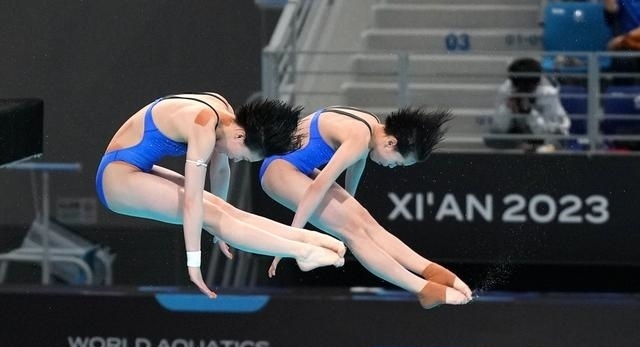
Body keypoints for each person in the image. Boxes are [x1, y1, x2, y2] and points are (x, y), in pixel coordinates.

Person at [96, 92, 345, 298]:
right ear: (240, 135)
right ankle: (302, 252)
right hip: (115, 180)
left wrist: (220, 229)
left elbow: (221, 171)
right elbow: (192, 203)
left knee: (225, 211)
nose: (236, 159)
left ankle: (309, 239)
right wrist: (194, 265)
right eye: (242, 156)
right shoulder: (204, 123)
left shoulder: (223, 111)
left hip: (135, 167)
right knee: (213, 216)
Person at [258, 105, 474, 309]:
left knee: (366, 222)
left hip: (297, 167)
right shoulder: (359, 137)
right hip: (277, 171)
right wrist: (290, 243)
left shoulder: (371, 125)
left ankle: (431, 270)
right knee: (353, 232)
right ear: (391, 143)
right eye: (397, 162)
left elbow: (355, 170)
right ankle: (423, 289)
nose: (391, 167)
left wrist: (350, 209)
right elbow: (317, 189)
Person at [487, 57, 571, 152]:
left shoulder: (548, 93)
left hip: (547, 132)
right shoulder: (506, 90)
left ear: (537, 83)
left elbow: (547, 131)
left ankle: (538, 150)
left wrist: (529, 112)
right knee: (491, 138)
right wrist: (507, 109)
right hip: (521, 132)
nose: (523, 92)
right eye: (519, 88)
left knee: (556, 142)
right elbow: (500, 128)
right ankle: (530, 148)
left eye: (527, 89)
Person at [603, 0, 640, 85]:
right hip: (627, 47)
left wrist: (624, 38)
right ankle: (621, 92)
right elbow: (611, 13)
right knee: (623, 60)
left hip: (627, 40)